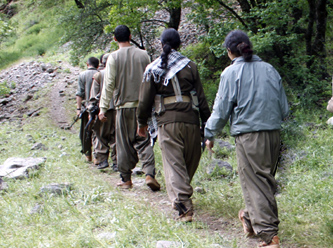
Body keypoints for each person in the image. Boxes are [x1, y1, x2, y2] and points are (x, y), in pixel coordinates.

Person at [204, 30, 289, 247]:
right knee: (264, 180)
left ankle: (269, 236)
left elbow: (221, 109)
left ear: (230, 52)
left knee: (256, 182)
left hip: (249, 136)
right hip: (273, 133)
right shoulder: (270, 69)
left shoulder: (231, 73)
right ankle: (249, 219)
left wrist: (209, 133)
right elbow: (284, 108)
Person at [137, 28, 211, 222]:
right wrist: (208, 124)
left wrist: (141, 123)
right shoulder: (190, 66)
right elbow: (201, 99)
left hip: (167, 122)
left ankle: (183, 205)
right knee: (189, 161)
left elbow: (144, 101)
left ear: (162, 44)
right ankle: (182, 198)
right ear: (180, 44)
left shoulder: (152, 69)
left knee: (175, 164)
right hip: (191, 121)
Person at [99, 25, 160, 191]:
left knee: (124, 143)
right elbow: (150, 80)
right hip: (143, 106)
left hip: (123, 107)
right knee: (145, 140)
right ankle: (149, 174)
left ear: (114, 39)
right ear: (130, 36)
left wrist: (103, 107)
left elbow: (109, 84)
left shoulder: (113, 57)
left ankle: (126, 179)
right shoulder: (144, 55)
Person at [89, 53, 117, 170]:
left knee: (100, 135)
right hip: (117, 108)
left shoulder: (98, 75)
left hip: (103, 109)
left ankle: (102, 160)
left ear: (102, 63)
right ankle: (117, 162)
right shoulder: (119, 73)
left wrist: (92, 110)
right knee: (116, 136)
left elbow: (93, 96)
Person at [76, 57, 99, 162]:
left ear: (87, 64)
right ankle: (97, 155)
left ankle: (88, 154)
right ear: (97, 65)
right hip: (99, 107)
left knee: (85, 131)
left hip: (86, 107)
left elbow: (79, 93)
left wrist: (78, 108)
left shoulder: (82, 75)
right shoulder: (101, 74)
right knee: (98, 131)